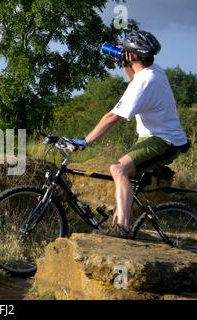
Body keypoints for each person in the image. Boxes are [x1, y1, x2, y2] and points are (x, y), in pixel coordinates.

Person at [67, 30, 189, 239]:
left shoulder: (145, 82)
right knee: (125, 173)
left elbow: (112, 117)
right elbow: (134, 82)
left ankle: (121, 228)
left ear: (131, 55)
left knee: (118, 169)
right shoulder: (154, 71)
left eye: (125, 52)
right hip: (157, 137)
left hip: (163, 141)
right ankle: (121, 222)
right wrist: (125, 64)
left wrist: (85, 141)